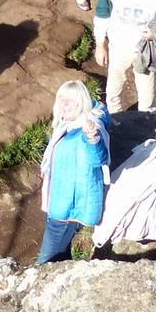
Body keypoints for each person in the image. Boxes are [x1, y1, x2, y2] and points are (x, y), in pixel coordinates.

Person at [36, 80, 109, 264]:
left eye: (72, 100)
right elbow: (99, 106)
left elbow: (98, 158)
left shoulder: (87, 128)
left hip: (67, 209)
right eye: (62, 98)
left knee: (45, 263)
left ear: (82, 103)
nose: (65, 104)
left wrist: (92, 138)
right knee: (61, 253)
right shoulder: (68, 124)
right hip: (67, 202)